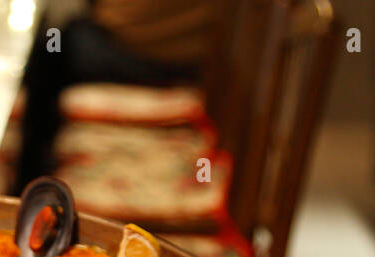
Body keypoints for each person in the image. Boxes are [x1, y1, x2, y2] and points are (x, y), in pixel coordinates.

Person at [15, 0, 221, 193]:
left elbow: (120, 17)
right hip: (179, 49)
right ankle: (32, 173)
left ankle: (29, 181)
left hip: (160, 56)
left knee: (52, 42)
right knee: (54, 36)